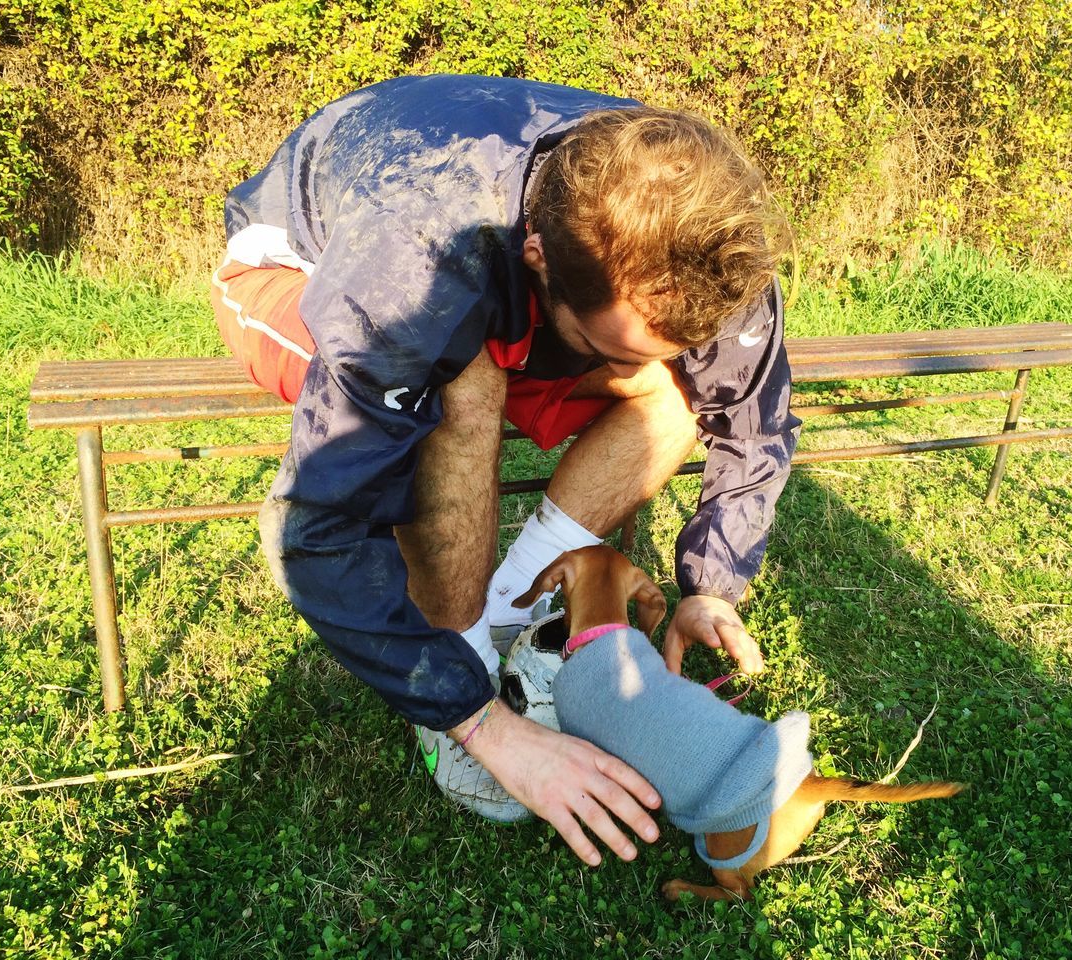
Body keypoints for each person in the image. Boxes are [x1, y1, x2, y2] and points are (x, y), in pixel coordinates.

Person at [212, 74, 801, 868]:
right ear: (537, 258)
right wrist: (483, 723)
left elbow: (753, 422)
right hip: (293, 271)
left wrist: (710, 585)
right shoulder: (415, 249)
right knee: (464, 373)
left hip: (511, 290)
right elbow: (315, 532)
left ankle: (505, 610)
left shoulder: (706, 247)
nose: (629, 368)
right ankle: (467, 674)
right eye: (616, 348)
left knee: (675, 394)